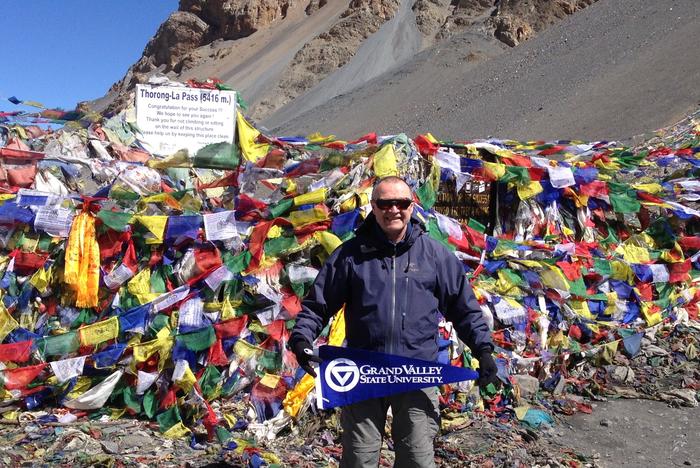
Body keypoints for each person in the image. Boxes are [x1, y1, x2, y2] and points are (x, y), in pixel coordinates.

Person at [289, 176, 498, 468]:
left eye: (401, 203)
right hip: (363, 373)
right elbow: (316, 306)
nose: (394, 210)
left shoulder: (435, 256)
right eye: (385, 203)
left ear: (412, 207)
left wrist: (483, 350)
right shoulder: (350, 256)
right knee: (359, 460)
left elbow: (464, 310)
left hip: (416, 372)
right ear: (373, 207)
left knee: (417, 459)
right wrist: (301, 340)